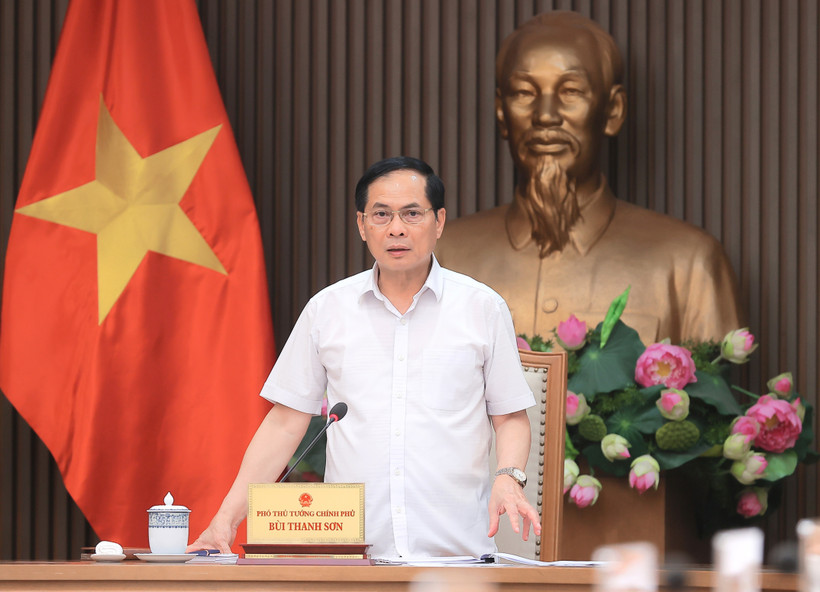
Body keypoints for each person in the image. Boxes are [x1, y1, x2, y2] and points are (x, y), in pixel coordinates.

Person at [188, 156, 540, 559]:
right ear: (361, 225)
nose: (396, 228)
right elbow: (285, 422)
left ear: (439, 222)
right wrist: (227, 519)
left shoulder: (482, 307)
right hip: (354, 560)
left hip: (456, 559)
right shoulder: (327, 310)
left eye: (412, 213)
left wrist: (509, 477)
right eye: (381, 215)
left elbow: (510, 415)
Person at [435, 11, 742, 346]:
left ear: (613, 111)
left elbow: (714, 394)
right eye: (524, 92)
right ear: (501, 112)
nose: (546, 115)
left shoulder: (690, 266)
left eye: (570, 91)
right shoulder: (439, 259)